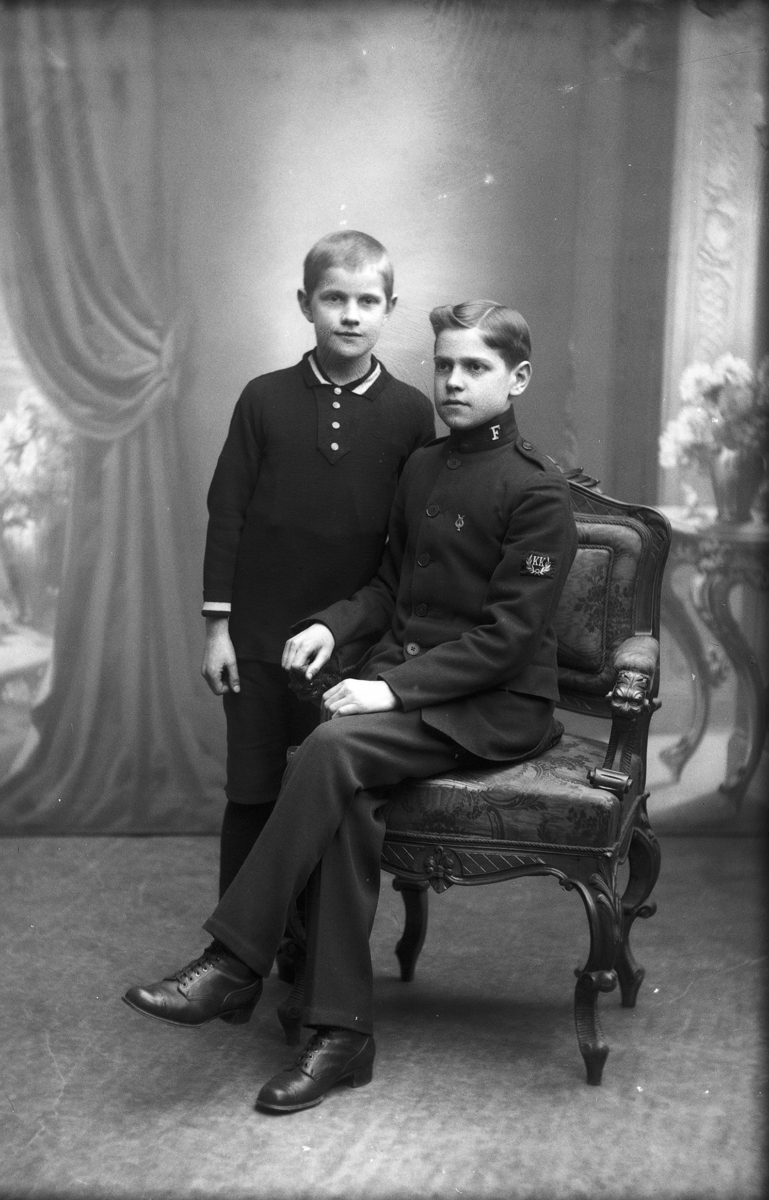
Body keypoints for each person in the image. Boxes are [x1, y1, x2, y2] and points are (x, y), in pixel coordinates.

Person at [123, 300, 579, 1115]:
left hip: (496, 708)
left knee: (329, 747)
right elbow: (387, 588)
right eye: (444, 364)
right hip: (422, 695)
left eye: (474, 368)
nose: (452, 381)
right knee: (346, 799)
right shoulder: (423, 468)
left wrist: (389, 689)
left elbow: (507, 641)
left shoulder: (536, 491)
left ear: (517, 379)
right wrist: (329, 627)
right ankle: (341, 1034)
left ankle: (234, 959)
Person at [200, 230, 434, 914]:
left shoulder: (409, 412)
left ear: (390, 308)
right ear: (306, 304)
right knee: (251, 793)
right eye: (334, 299)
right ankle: (237, 951)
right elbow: (226, 513)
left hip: (349, 648)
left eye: (368, 301)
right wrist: (218, 630)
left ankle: (307, 951)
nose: (350, 315)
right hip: (256, 638)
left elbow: (409, 545)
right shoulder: (264, 398)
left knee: (324, 796)